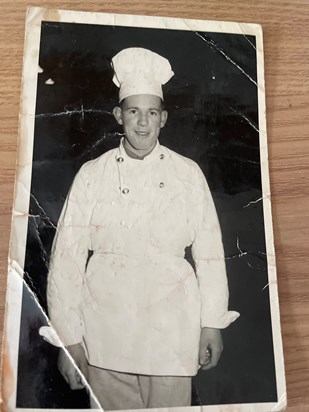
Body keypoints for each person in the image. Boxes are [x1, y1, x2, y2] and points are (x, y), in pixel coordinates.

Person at [46, 47, 239, 410]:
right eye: (134, 111)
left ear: (164, 118)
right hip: (105, 337)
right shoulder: (92, 175)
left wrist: (212, 323)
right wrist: (69, 340)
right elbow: (66, 262)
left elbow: (211, 255)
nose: (142, 123)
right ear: (119, 115)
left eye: (152, 113)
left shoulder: (187, 174)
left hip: (171, 336)